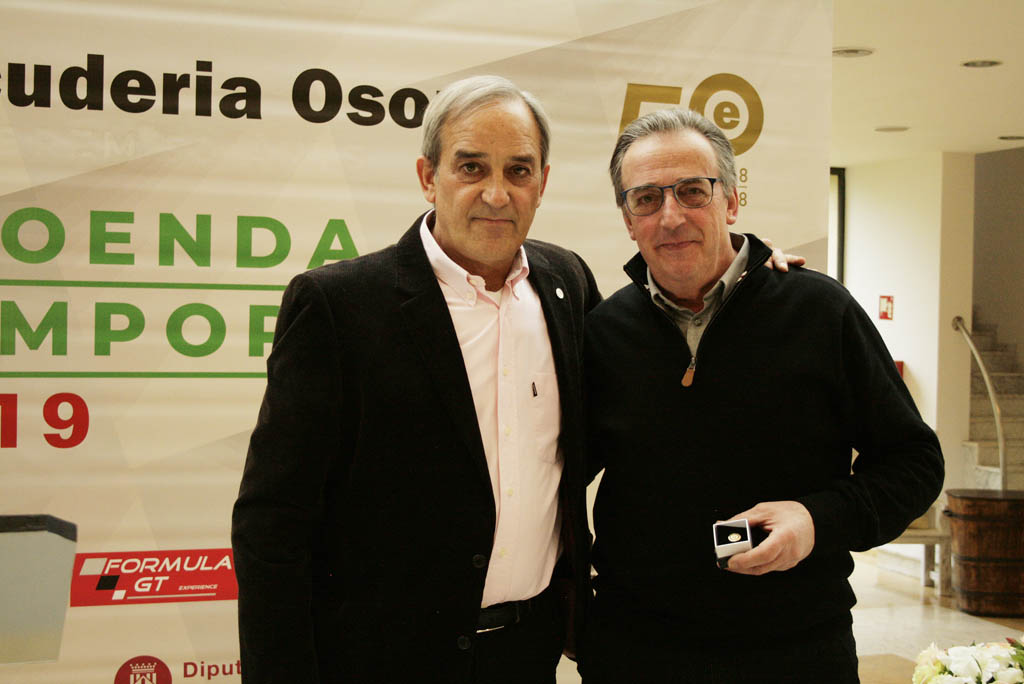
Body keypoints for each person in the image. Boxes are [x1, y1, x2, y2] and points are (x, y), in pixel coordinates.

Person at [231, 75, 601, 683]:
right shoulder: (338, 306)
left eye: (518, 170)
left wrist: (749, 282)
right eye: (471, 167)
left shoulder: (567, 283)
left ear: (542, 182)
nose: (496, 193)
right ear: (429, 177)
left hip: (527, 654)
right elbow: (273, 522)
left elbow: (634, 392)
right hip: (381, 661)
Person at [580, 108, 944, 684]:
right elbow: (553, 477)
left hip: (796, 654)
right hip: (635, 654)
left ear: (730, 201)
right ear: (628, 220)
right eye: (646, 199)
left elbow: (915, 463)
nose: (671, 216)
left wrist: (817, 519)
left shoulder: (819, 312)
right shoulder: (603, 332)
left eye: (692, 191)